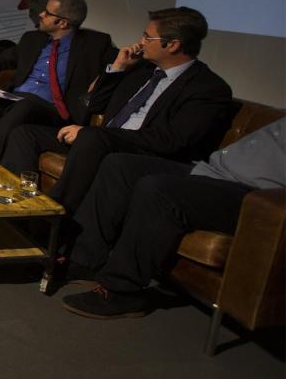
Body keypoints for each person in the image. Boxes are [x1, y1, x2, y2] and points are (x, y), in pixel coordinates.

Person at [0, 7, 234, 217]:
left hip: (138, 152)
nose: (140, 42)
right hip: (102, 141)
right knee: (25, 134)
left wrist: (102, 136)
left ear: (172, 45)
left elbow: (172, 140)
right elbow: (95, 105)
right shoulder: (142, 69)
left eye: (147, 37)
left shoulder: (208, 88)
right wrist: (118, 68)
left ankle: (52, 215)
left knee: (92, 137)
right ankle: (19, 205)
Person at [60, 119, 285, 319]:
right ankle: (85, 260)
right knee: (119, 165)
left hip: (250, 196)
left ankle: (122, 291)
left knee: (158, 189)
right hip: (209, 170)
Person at [0, 0, 116, 153]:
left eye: (48, 13)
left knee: (26, 106)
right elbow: (1, 58)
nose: (41, 14)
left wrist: (113, 70)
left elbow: (119, 63)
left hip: (51, 111)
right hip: (15, 101)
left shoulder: (94, 45)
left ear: (63, 23)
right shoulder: (32, 39)